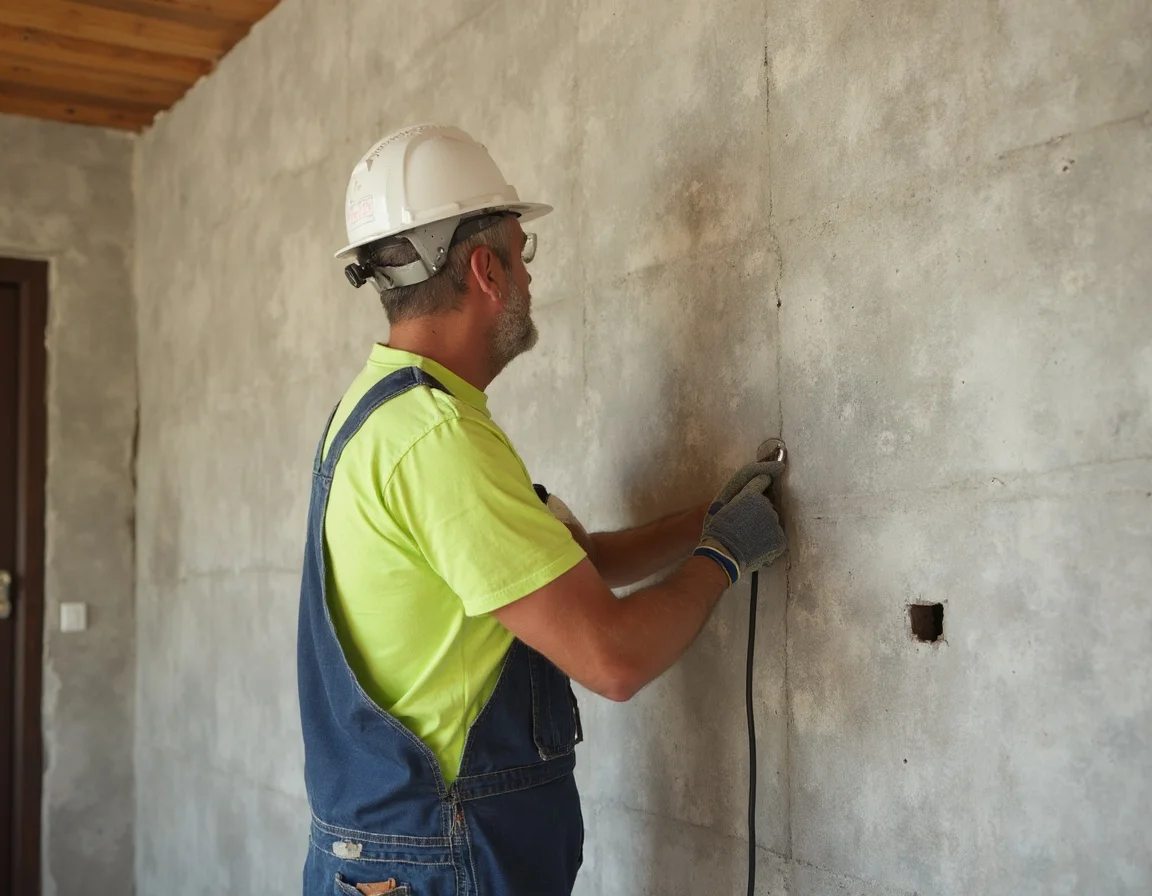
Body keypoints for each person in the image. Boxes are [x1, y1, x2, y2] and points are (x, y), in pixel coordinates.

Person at [296, 124, 787, 896]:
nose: (529, 277)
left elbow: (569, 568)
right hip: (443, 858)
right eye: (523, 254)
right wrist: (722, 557)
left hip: (396, 858)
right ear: (486, 269)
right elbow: (613, 661)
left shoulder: (379, 413)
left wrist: (706, 519)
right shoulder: (436, 440)